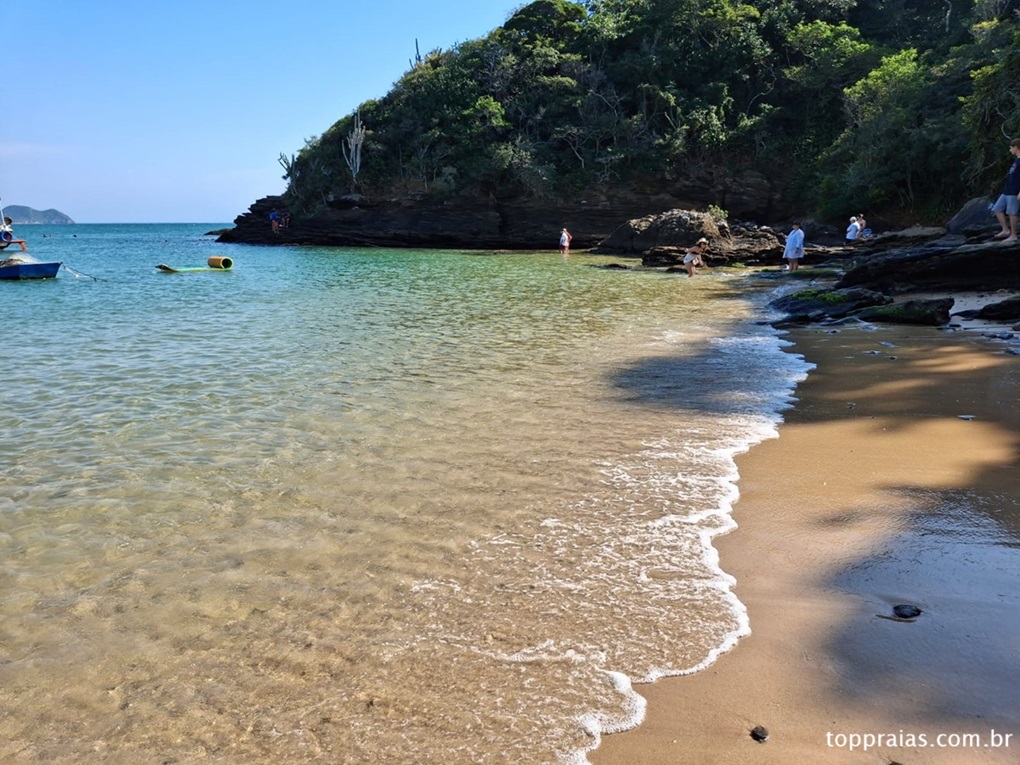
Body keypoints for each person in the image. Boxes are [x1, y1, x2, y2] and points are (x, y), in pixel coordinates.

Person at [992, 137, 1020, 244]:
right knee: (997, 208)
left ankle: (1013, 235)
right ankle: (1005, 230)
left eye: (1011, 148)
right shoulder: (1016, 161)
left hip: (1014, 191)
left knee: (1012, 212)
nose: (1010, 150)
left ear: (1016, 147)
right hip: (1007, 190)